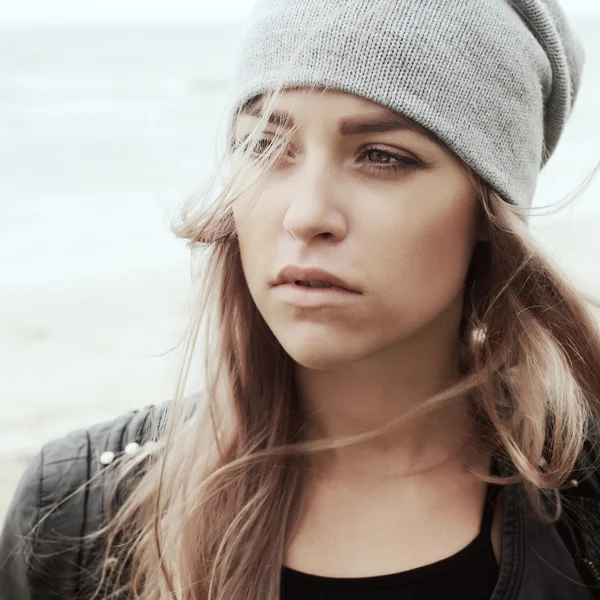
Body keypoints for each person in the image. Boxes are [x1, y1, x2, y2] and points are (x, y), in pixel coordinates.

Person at [1, 0, 600, 598]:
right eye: (264, 145)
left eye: (383, 156)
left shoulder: (586, 508)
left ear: (486, 211)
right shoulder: (77, 511)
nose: (307, 214)